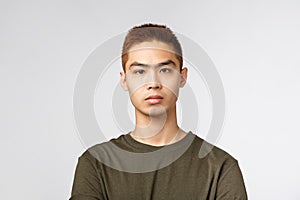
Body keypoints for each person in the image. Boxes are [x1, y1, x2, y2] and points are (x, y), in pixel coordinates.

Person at [69, 23, 248, 200]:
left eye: (165, 70)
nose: (153, 82)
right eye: (140, 71)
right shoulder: (96, 163)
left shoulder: (220, 167)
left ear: (182, 77)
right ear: (124, 80)